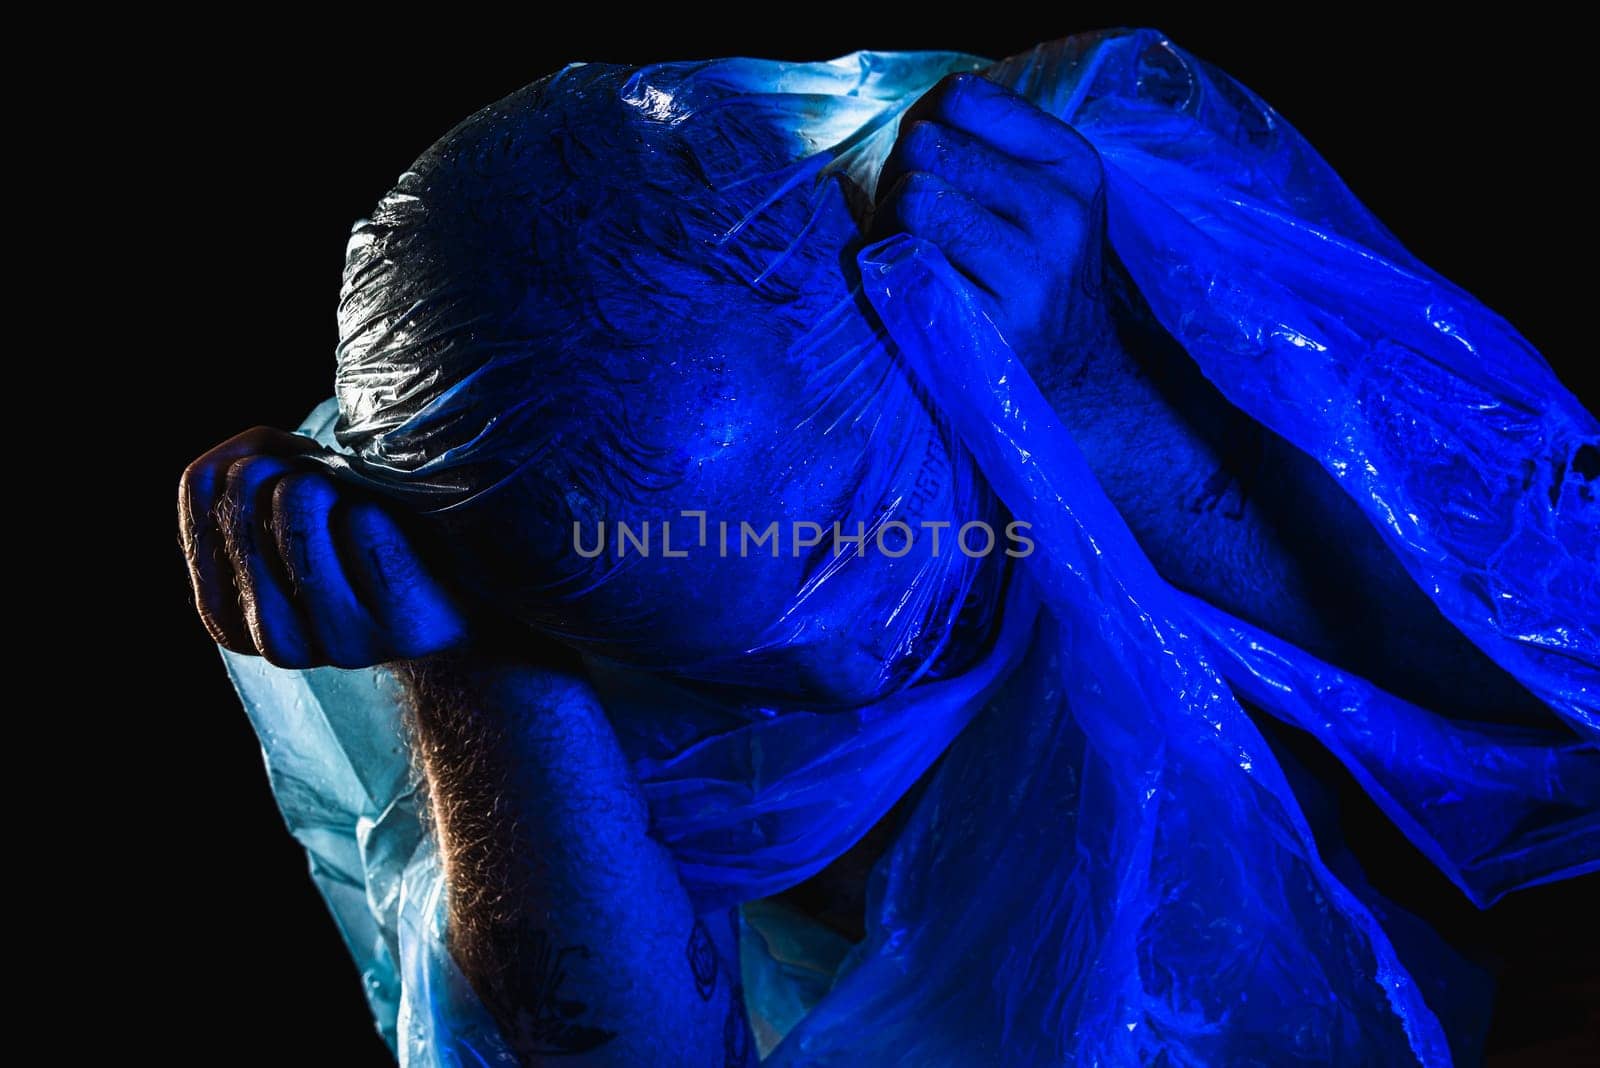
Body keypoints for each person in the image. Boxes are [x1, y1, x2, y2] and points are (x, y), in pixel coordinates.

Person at [179, 31, 1597, 1066]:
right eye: (721, 644)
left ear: (909, 303)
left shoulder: (1069, 242)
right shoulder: (519, 604)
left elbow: (1548, 696)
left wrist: (1093, 386)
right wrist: (476, 665)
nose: (850, 650)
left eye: (852, 534)